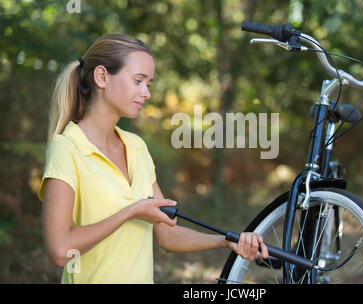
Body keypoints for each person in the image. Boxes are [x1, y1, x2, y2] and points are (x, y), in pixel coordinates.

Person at [38, 33, 268, 284]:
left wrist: (227, 242)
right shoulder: (67, 149)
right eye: (138, 81)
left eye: (149, 83)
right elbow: (60, 251)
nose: (146, 93)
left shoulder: (136, 147)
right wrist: (131, 211)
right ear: (102, 77)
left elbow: (166, 237)